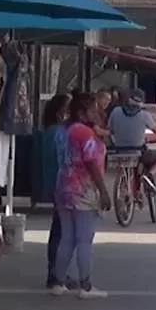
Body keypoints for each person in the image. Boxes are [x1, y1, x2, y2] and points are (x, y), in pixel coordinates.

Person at [51, 93, 111, 299]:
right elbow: (91, 163)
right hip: (83, 189)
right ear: (82, 112)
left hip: (63, 186)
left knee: (67, 237)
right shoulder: (84, 133)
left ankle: (58, 281)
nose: (97, 113)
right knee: (84, 239)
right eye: (93, 109)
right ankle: (86, 285)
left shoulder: (63, 130)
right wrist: (103, 190)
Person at [38, 94, 71, 289]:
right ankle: (56, 274)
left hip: (56, 185)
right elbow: (62, 161)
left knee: (60, 230)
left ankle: (58, 272)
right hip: (62, 186)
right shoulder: (58, 133)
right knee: (62, 232)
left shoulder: (52, 131)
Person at [107, 89, 156, 190]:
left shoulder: (116, 111)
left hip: (119, 149)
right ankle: (149, 175)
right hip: (138, 150)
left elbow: (110, 130)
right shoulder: (144, 115)